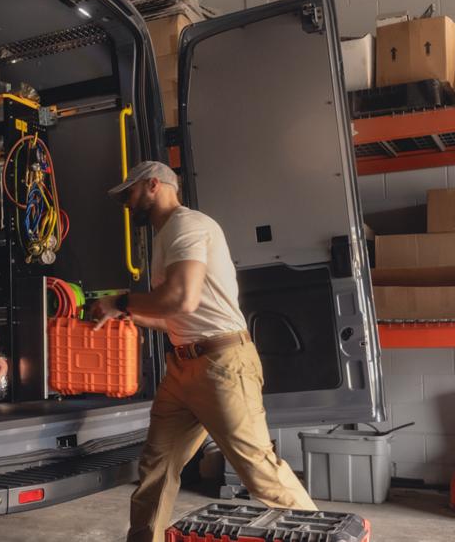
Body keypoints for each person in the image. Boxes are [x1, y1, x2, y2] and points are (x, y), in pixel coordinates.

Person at [89, 161, 317, 542]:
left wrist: (122, 301)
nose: (126, 203)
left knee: (259, 472)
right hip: (184, 367)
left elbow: (182, 298)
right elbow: (178, 316)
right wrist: (127, 315)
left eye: (130, 193)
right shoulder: (166, 237)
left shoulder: (187, 225)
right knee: (156, 469)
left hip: (221, 365)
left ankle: (326, 535)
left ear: (153, 185)